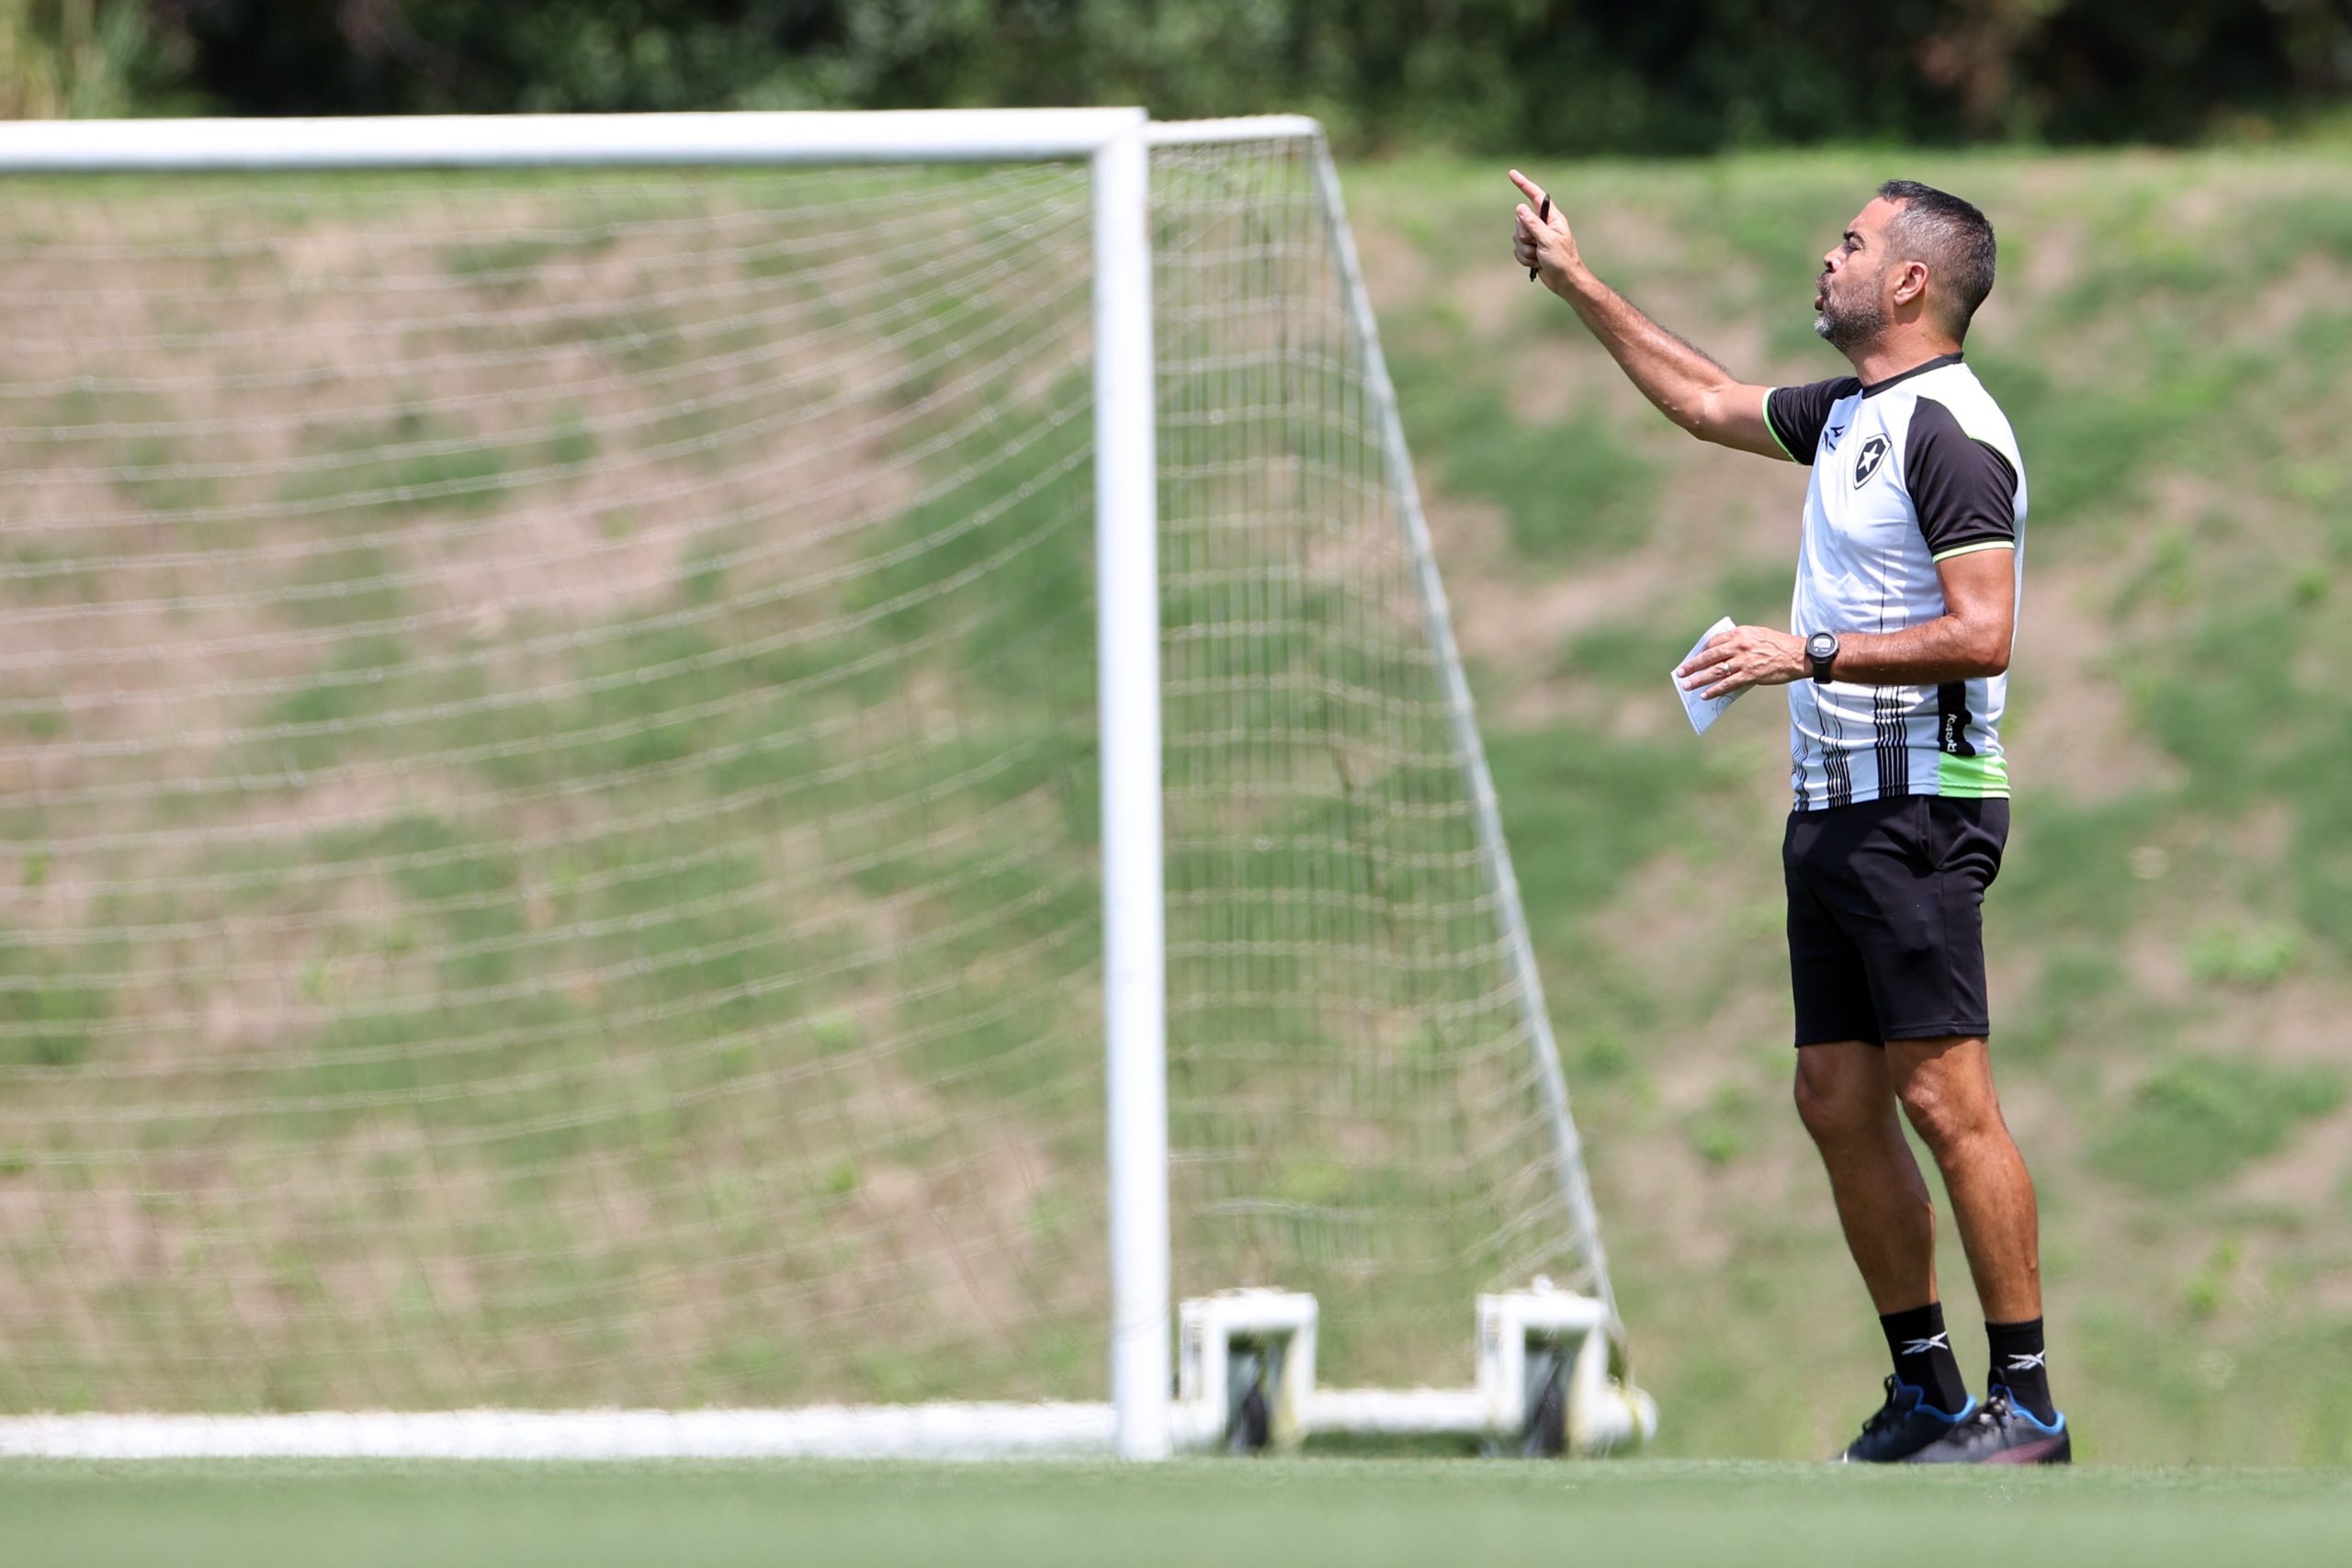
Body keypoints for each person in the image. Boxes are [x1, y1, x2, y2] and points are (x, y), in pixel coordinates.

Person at [1510, 172, 2068, 1464]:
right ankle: (1929, 1387)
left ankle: (2028, 1403)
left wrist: (1803, 652)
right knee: (1833, 1095)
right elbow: (1706, 402)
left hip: (1920, 808)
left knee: (1944, 1099)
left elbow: (1983, 635)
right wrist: (1575, 276)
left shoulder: (1951, 429)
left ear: (1911, 283)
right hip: (1832, 811)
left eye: (1853, 243)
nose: (1829, 258)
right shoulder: (1859, 413)